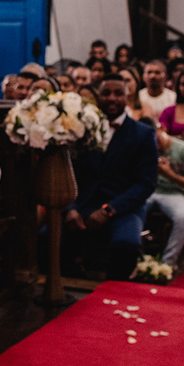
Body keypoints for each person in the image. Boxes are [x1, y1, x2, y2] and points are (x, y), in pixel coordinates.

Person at [62, 75, 158, 280]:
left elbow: (146, 183)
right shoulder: (81, 130)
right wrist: (70, 208)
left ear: (127, 97)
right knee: (47, 237)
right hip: (84, 201)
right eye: (106, 93)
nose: (112, 98)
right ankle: (70, 286)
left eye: (118, 93)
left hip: (123, 206)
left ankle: (115, 291)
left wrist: (109, 210)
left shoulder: (143, 134)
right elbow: (69, 173)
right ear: (98, 97)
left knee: (126, 245)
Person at [143, 117, 184, 267]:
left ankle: (167, 263)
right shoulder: (143, 147)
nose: (155, 143)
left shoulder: (183, 149)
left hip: (174, 193)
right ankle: (139, 259)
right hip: (147, 191)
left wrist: (169, 174)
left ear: (162, 130)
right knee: (131, 210)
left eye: (155, 137)